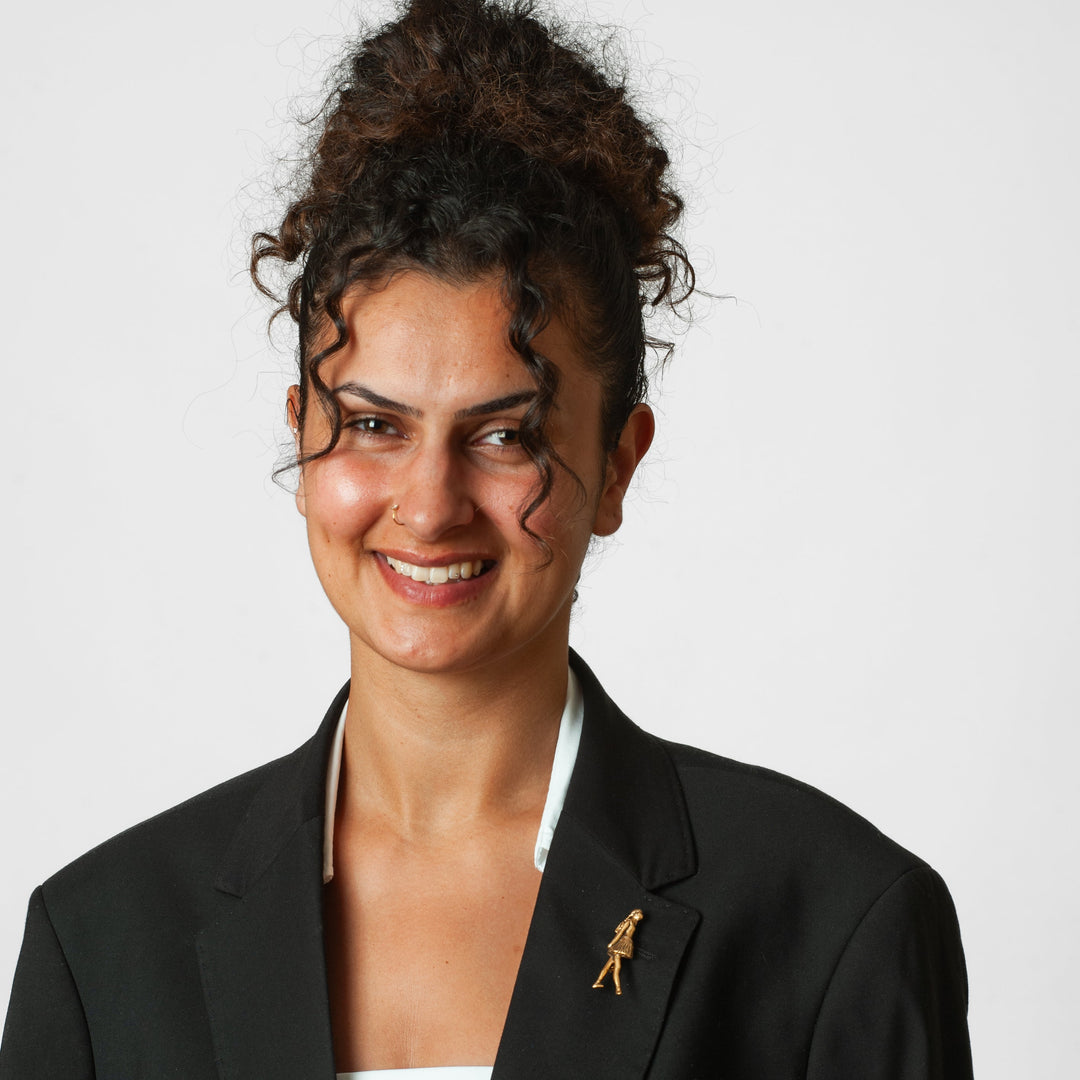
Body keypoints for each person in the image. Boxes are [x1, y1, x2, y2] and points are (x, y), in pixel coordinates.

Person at [0, 1, 973, 1077]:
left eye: (506, 435)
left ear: (616, 462)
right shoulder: (101, 948)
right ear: (301, 438)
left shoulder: (833, 922)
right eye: (373, 424)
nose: (429, 504)